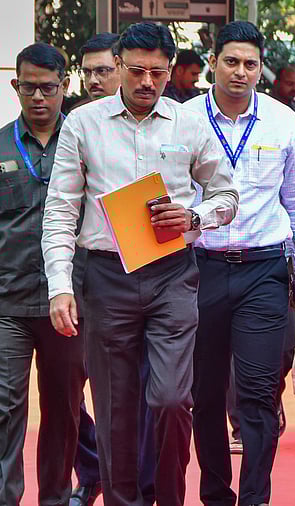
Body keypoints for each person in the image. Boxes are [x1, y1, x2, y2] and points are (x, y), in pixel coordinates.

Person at [41, 22, 238, 506]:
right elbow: (61, 208)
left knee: (171, 400)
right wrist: (59, 285)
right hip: (105, 276)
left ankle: (168, 498)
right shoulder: (82, 124)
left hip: (172, 272)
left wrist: (194, 216)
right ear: (119, 67)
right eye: (136, 71)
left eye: (157, 72)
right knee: (114, 410)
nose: (146, 81)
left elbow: (228, 194)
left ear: (170, 72)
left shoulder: (189, 123)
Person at [184, 21, 295, 506]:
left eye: (250, 64)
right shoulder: (184, 120)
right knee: (204, 392)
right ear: (212, 64)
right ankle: (216, 494)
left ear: (260, 69)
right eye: (231, 62)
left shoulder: (283, 121)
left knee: (260, 392)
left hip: (264, 268)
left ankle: (255, 498)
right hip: (199, 269)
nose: (241, 72)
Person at [69, 31, 159, 506]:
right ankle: (93, 470)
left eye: (104, 70)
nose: (95, 81)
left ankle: (138, 486)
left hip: (151, 271)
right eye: (88, 73)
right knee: (84, 388)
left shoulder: (163, 124)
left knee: (146, 392)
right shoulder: (76, 127)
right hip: (85, 269)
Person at [0, 41, 83, 506]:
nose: (38, 98)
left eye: (47, 88)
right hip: (8, 301)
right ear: (16, 86)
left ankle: (55, 497)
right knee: (4, 407)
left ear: (64, 87)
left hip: (68, 304)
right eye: (28, 87)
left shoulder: (84, 140)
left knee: (64, 412)